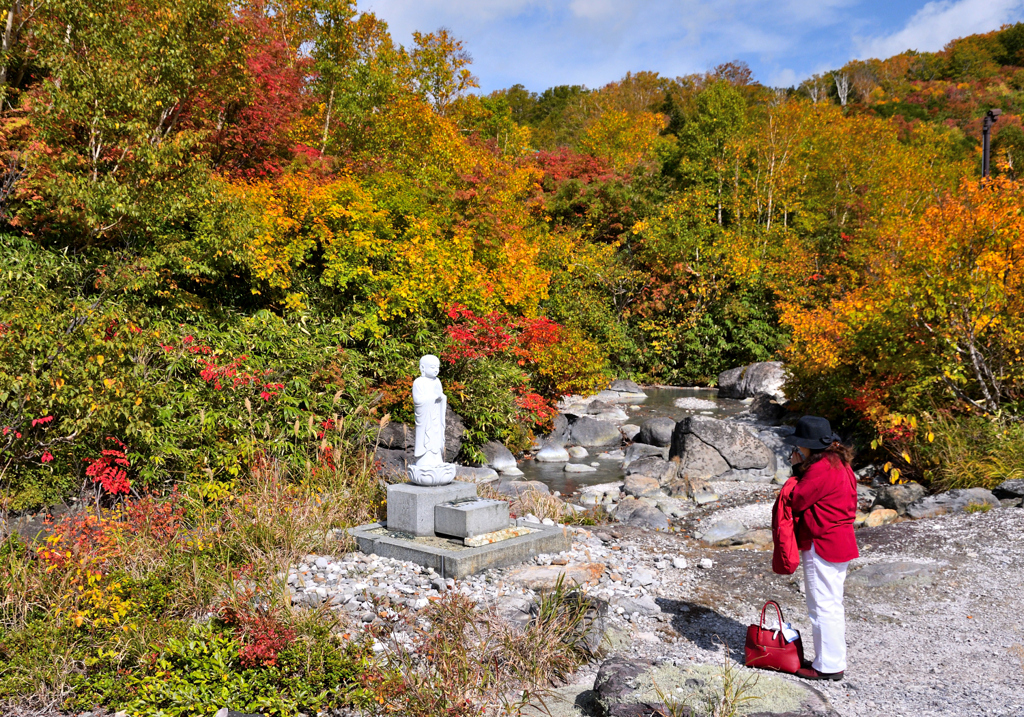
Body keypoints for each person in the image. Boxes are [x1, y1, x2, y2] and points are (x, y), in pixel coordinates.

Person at [785, 415, 858, 681]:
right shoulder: (838, 462)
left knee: (822, 605)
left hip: (822, 540)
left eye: (800, 447)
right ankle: (831, 660)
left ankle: (827, 666)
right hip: (840, 539)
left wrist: (796, 470)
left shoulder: (820, 468)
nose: (797, 451)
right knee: (832, 604)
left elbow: (798, 499)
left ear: (809, 446)